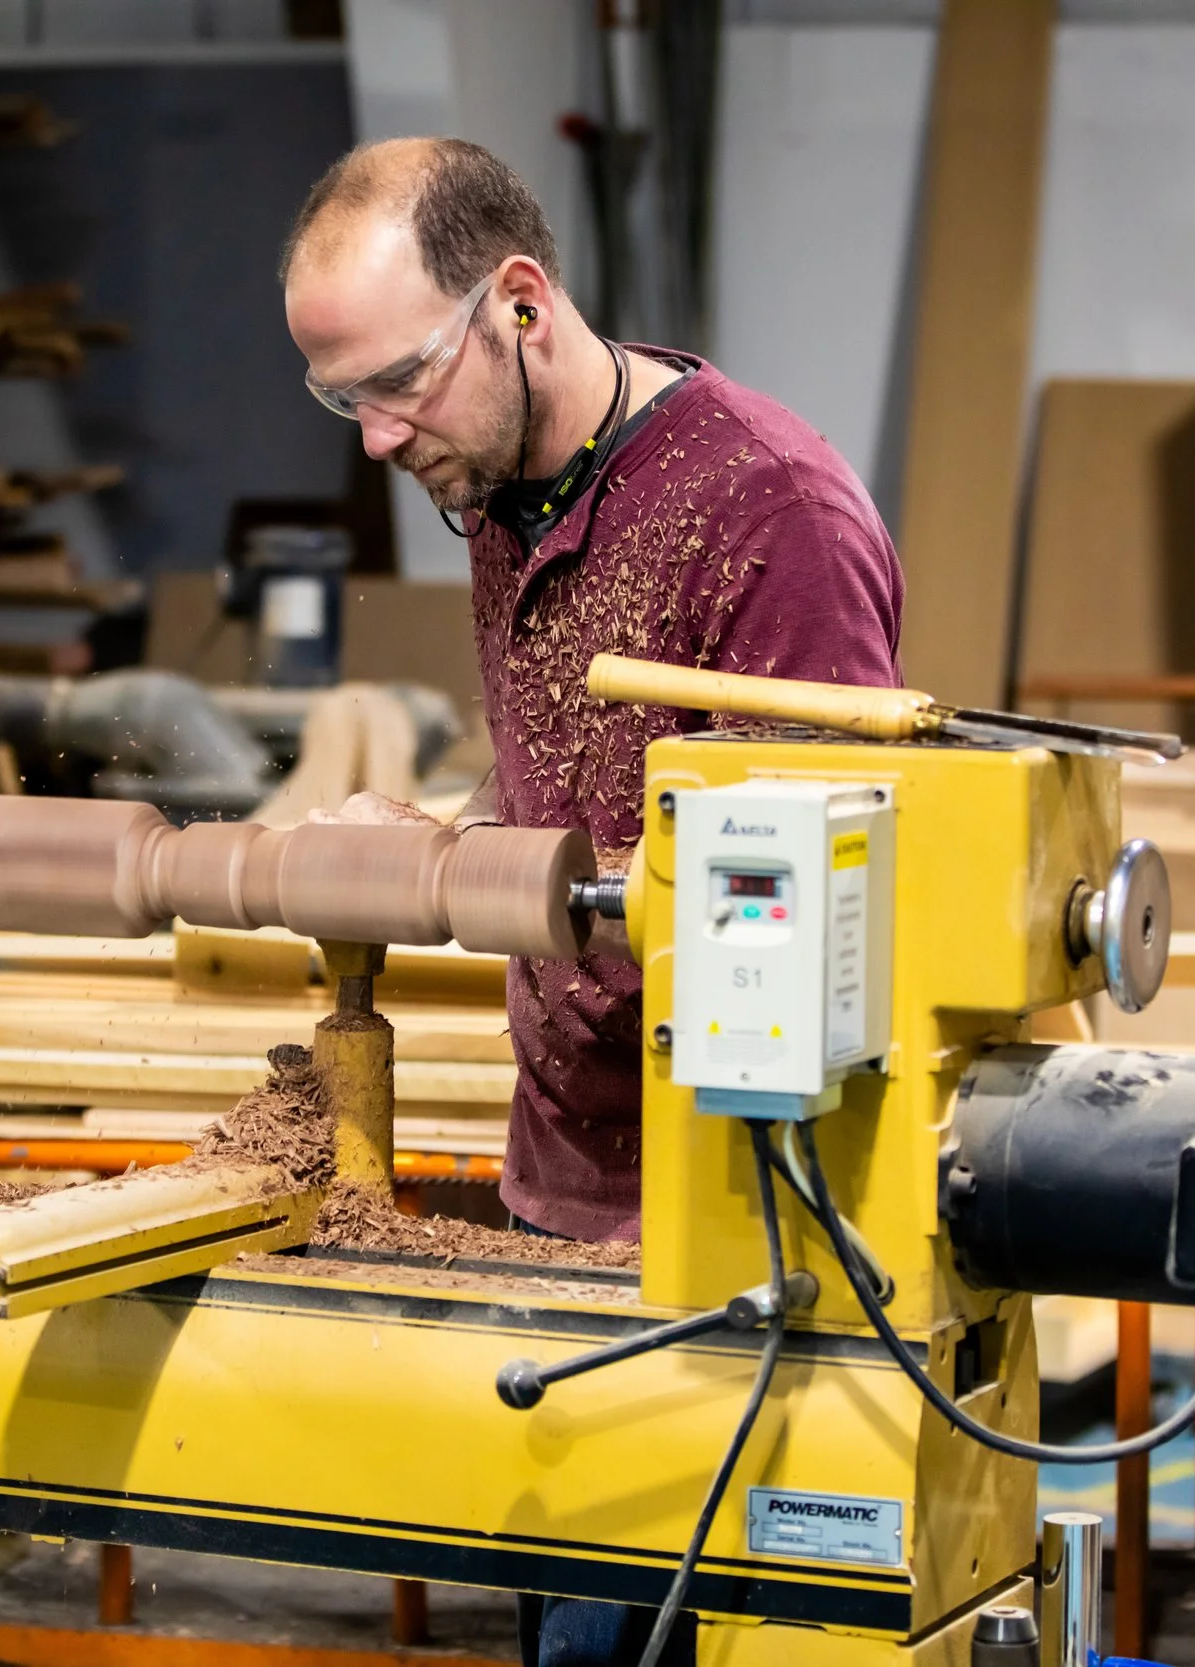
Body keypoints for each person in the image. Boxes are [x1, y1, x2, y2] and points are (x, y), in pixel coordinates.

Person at [281, 138, 902, 1664]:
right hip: (560, 1195)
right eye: (339, 398)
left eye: (398, 382)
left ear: (521, 303)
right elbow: (594, 811)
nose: (373, 439)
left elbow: (806, 900)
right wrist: (437, 840)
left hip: (728, 1226)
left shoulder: (770, 512)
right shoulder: (499, 487)